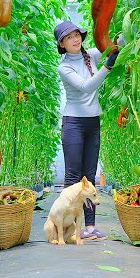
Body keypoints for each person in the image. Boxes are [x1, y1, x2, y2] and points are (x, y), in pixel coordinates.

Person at [53, 20, 121, 241]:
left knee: (89, 177)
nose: (75, 39)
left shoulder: (90, 54)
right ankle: (68, 229)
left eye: (77, 34)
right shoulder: (64, 67)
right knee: (73, 177)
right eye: (69, 37)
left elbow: (115, 45)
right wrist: (107, 66)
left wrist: (129, 30)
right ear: (61, 44)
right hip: (73, 123)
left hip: (93, 122)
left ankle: (90, 228)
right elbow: (86, 86)